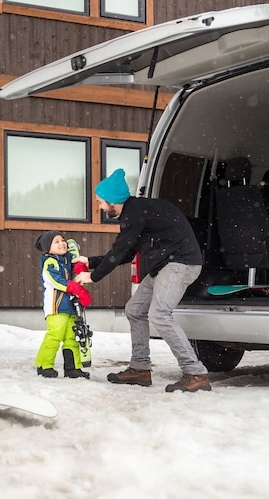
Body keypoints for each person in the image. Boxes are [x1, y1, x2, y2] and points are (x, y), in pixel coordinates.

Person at [74, 168, 211, 393]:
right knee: (135, 310)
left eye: (100, 202)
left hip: (181, 263)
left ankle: (196, 372)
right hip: (165, 265)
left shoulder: (135, 213)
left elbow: (120, 249)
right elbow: (127, 252)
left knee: (160, 314)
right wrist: (90, 262)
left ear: (112, 201)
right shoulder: (136, 212)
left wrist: (93, 276)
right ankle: (140, 368)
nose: (99, 207)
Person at [33, 231, 91, 379]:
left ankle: (72, 368)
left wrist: (80, 268)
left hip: (71, 305)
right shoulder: (50, 261)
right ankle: (44, 365)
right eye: (56, 241)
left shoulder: (67, 260)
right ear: (48, 248)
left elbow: (77, 272)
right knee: (55, 335)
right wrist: (74, 288)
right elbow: (55, 280)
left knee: (72, 337)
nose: (62, 243)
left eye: (63, 240)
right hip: (56, 306)